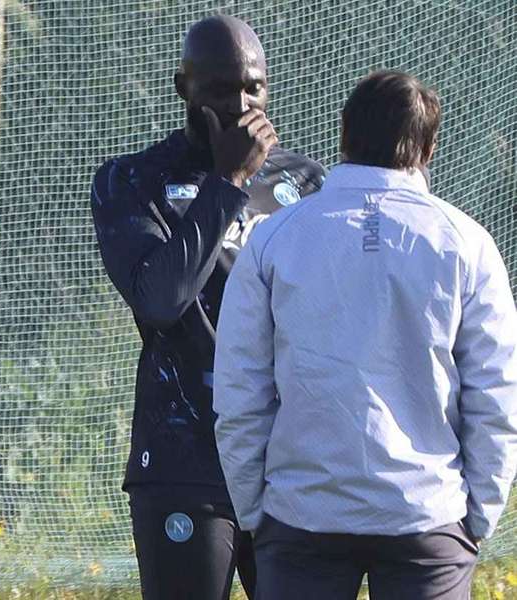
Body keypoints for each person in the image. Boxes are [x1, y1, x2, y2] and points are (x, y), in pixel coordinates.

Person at [212, 70, 517, 600]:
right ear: (429, 146)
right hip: (428, 518)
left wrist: (255, 510)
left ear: (343, 134)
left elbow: (239, 390)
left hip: (303, 514)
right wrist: (476, 520)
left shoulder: (275, 239)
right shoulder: (468, 244)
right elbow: (497, 395)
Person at [90, 15, 325, 599]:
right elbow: (161, 300)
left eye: (253, 87)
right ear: (184, 89)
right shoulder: (131, 181)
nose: (242, 106)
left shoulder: (307, 185)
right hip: (184, 460)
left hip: (288, 460)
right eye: (221, 90)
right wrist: (229, 181)